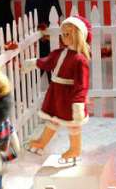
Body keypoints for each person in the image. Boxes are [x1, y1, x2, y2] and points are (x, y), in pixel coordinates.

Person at [24, 15, 92, 164]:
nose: (64, 37)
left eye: (67, 34)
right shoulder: (60, 53)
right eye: (63, 34)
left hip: (68, 95)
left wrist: (78, 103)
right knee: (53, 119)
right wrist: (34, 63)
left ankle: (75, 149)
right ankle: (41, 142)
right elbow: (47, 62)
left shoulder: (80, 59)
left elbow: (82, 84)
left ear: (78, 36)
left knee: (73, 123)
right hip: (56, 92)